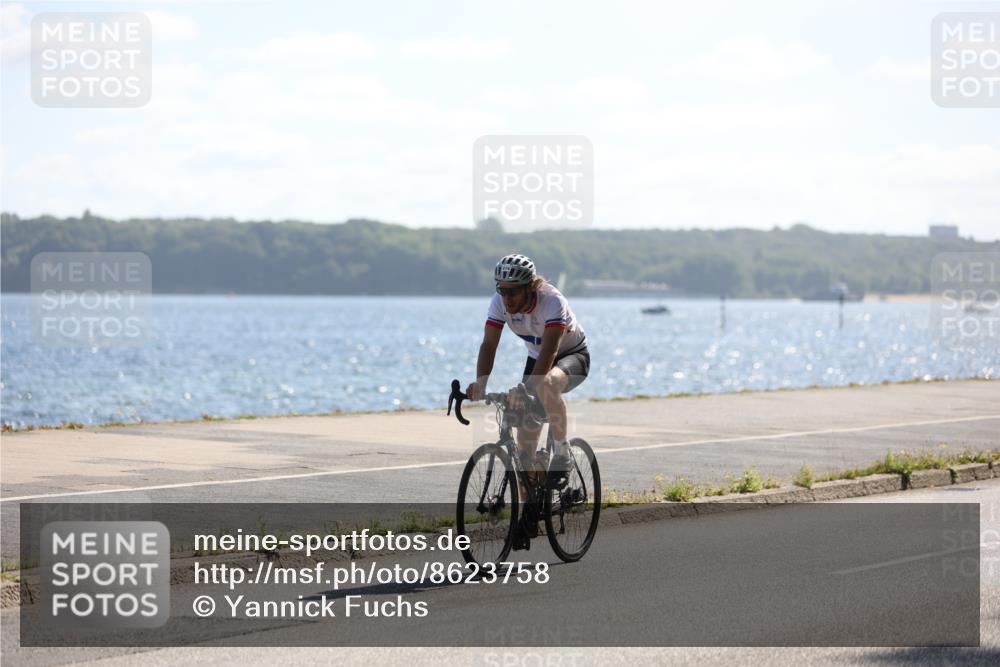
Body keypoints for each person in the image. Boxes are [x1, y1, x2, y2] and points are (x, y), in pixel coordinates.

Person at [465, 254, 590, 488]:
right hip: (537, 359)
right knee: (524, 451)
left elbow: (550, 350)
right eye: (502, 291)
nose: (507, 299)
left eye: (513, 292)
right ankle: (529, 514)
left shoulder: (552, 302)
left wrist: (526, 388)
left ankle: (562, 455)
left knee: (547, 385)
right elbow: (489, 344)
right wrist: (481, 383)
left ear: (530, 288)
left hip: (570, 355)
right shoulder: (499, 302)